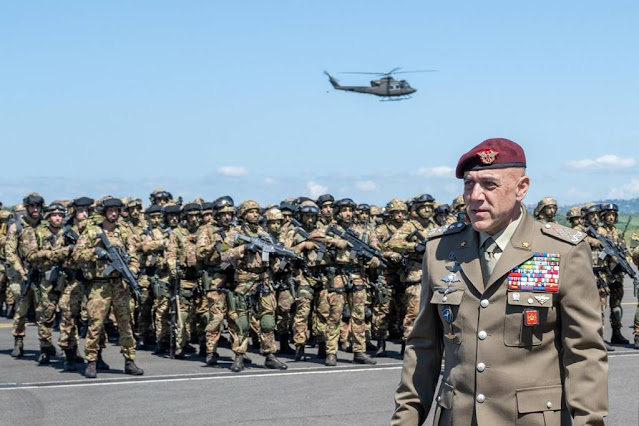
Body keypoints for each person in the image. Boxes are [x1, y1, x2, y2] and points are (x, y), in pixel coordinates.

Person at [392, 138, 608, 425]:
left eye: (489, 185)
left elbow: (584, 351)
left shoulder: (560, 250)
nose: (475, 196)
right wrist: (405, 420)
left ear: (521, 188)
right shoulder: (441, 249)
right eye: (469, 184)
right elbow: (424, 348)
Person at [73, 197, 144, 378]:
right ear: (104, 212)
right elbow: (77, 254)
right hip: (99, 285)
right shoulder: (92, 231)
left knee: (126, 324)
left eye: (116, 210)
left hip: (120, 285)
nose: (114, 213)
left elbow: (134, 256)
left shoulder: (124, 231)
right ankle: (92, 361)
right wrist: (97, 253)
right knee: (95, 324)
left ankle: (130, 360)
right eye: (110, 210)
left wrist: (132, 271)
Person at [6, 193, 45, 358]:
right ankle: (18, 341)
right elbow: (10, 252)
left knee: (43, 312)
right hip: (23, 275)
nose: (35, 210)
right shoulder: (17, 227)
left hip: (43, 274)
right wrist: (21, 271)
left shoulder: (44, 225)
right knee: (21, 311)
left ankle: (45, 346)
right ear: (27, 207)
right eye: (32, 206)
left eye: (37, 207)